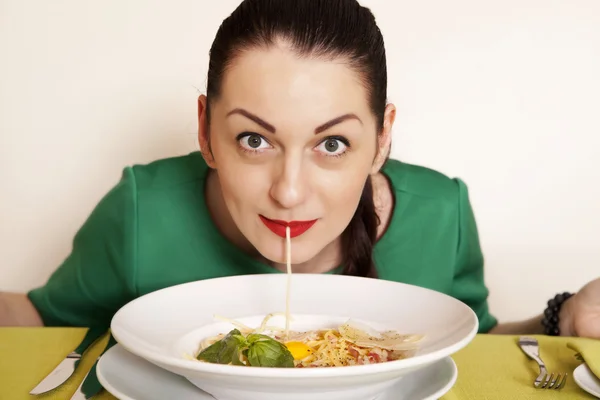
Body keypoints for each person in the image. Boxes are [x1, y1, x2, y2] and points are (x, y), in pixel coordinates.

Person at [1, 0, 598, 341]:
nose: (288, 192)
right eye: (254, 139)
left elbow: (473, 346)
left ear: (382, 137)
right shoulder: (141, 209)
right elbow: (41, 322)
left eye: (332, 144)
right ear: (206, 130)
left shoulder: (443, 216)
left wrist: (563, 315)